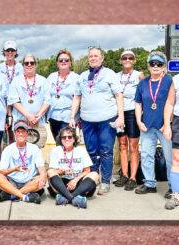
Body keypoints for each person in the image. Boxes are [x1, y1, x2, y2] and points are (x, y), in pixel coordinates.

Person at [70, 47, 124, 194]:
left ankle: (106, 181)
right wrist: (72, 117)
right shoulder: (81, 76)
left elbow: (119, 96)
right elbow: (77, 98)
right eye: (91, 56)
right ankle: (94, 178)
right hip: (87, 120)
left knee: (106, 151)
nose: (93, 58)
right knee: (91, 151)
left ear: (102, 58)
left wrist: (121, 116)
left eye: (96, 56)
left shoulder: (109, 74)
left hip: (107, 119)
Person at [135, 51, 172, 196]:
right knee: (146, 155)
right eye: (152, 63)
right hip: (147, 126)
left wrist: (168, 123)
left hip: (164, 127)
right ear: (148, 66)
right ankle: (149, 183)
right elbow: (138, 104)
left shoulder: (169, 81)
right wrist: (139, 121)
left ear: (164, 67)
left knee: (169, 157)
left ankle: (173, 186)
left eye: (159, 64)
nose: (155, 66)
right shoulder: (143, 83)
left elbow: (173, 103)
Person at [0, 120, 47, 204]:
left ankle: (13, 195)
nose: (21, 134)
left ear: (27, 133)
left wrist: (43, 175)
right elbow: (1, 171)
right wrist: (14, 169)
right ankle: (25, 196)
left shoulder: (34, 148)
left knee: (41, 178)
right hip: (12, 181)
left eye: (23, 131)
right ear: (14, 133)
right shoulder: (8, 149)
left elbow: (41, 167)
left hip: (29, 181)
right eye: (18, 131)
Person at [113, 50, 144, 191]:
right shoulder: (115, 76)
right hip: (119, 114)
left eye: (130, 58)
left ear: (134, 60)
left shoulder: (138, 75)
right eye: (124, 58)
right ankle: (124, 175)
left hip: (132, 113)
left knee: (133, 146)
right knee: (122, 145)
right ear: (120, 60)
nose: (127, 60)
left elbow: (146, 93)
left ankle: (133, 177)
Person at [47, 126, 99, 208]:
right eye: (63, 137)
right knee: (49, 172)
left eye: (69, 137)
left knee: (95, 174)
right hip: (62, 184)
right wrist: (62, 171)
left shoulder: (81, 150)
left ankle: (67, 198)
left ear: (74, 138)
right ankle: (74, 199)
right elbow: (53, 171)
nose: (67, 139)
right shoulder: (56, 150)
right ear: (61, 139)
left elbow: (87, 170)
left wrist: (75, 180)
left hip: (78, 183)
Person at [8, 53, 50, 148]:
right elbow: (15, 101)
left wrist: (37, 117)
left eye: (32, 63)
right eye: (26, 63)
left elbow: (47, 101)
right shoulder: (16, 81)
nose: (29, 65)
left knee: (36, 150)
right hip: (21, 121)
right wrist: (28, 116)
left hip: (38, 123)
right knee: (21, 149)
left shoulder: (43, 80)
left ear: (35, 65)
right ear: (23, 65)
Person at [47, 49, 80, 141]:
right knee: (58, 143)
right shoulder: (51, 77)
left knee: (67, 142)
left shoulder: (77, 78)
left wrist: (72, 118)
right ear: (57, 63)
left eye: (66, 60)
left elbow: (77, 98)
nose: (63, 62)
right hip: (53, 117)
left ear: (70, 63)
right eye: (61, 60)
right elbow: (46, 96)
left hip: (68, 117)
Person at [0, 40, 24, 143]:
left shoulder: (22, 67)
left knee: (17, 130)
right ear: (4, 52)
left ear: (16, 52)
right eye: (8, 50)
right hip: (3, 103)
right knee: (2, 132)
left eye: (12, 50)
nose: (10, 52)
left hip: (17, 103)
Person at [163, 73, 179, 209]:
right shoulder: (176, 79)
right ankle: (176, 195)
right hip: (178, 121)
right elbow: (169, 103)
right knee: (176, 159)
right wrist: (167, 125)